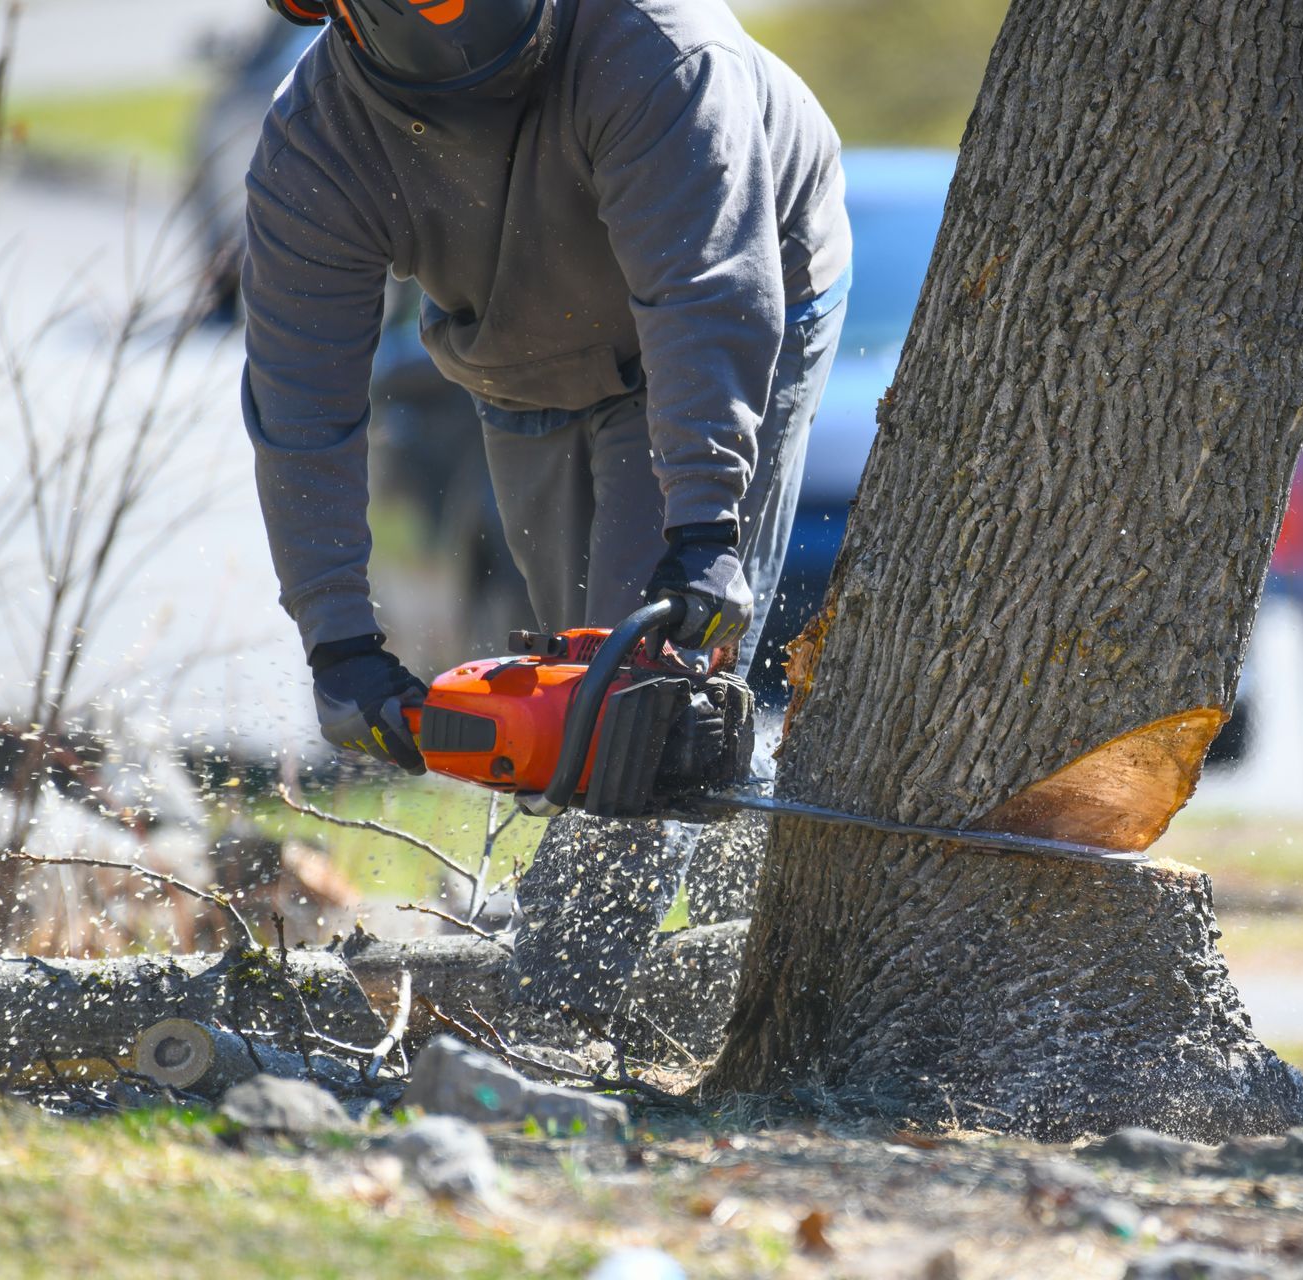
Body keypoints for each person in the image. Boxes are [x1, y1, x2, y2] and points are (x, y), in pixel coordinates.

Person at [241, 0, 849, 1022]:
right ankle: (687, 931)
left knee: (640, 702)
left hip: (726, 300)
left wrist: (706, 531)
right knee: (566, 700)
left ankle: (574, 1011)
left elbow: (706, 293)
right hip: (521, 351)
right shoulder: (316, 142)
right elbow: (302, 408)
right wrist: (338, 640)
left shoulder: (657, 48)